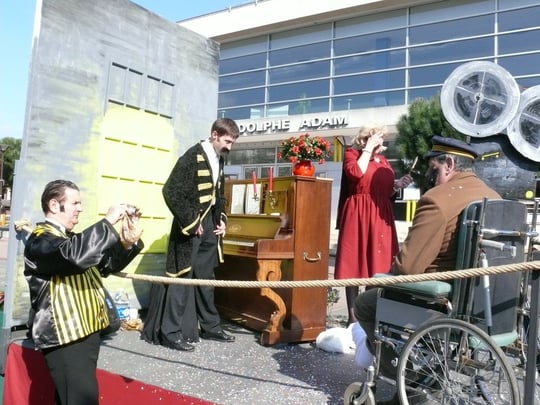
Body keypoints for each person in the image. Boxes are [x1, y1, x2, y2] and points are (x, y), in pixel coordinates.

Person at [354, 135, 501, 404]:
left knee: (365, 304)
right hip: (488, 308)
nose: (431, 178)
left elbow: (408, 267)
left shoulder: (437, 200)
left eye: (433, 169)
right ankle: (422, 377)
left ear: (449, 164)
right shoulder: (495, 197)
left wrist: (382, 278)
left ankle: (412, 387)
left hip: (441, 303)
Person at [24, 179, 143, 405]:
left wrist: (127, 243)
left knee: (72, 398)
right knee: (80, 400)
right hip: (66, 338)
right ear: (54, 205)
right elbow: (73, 256)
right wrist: (108, 221)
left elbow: (105, 266)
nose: (80, 208)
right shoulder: (40, 239)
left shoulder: (69, 240)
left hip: (84, 333)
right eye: (75, 203)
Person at [142, 117, 240, 352]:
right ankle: (170, 333)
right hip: (190, 227)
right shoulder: (191, 156)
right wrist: (191, 221)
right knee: (181, 279)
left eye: (232, 142)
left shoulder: (220, 158)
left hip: (210, 227)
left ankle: (211, 327)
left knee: (206, 279)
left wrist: (221, 220)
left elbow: (219, 194)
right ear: (214, 134)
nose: (230, 147)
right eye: (227, 141)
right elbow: (171, 191)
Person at [334, 126, 413, 325]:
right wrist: (368, 149)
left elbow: (385, 192)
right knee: (353, 263)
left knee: (377, 265)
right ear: (366, 138)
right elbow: (356, 173)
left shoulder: (383, 161)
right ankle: (353, 320)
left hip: (380, 214)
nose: (381, 141)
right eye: (378, 137)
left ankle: (367, 316)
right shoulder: (352, 154)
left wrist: (396, 186)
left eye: (382, 138)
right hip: (358, 214)